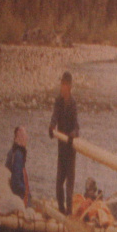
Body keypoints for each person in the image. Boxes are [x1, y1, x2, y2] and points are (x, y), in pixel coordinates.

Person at [48, 71, 79, 214]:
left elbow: (76, 127)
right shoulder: (58, 102)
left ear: (69, 87)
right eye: (61, 85)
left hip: (70, 151)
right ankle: (61, 210)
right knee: (59, 184)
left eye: (64, 85)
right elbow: (54, 116)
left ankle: (69, 213)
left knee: (69, 188)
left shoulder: (73, 104)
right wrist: (52, 126)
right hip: (61, 149)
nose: (62, 88)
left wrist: (73, 134)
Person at [6, 126, 30, 207]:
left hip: (13, 191)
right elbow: (16, 182)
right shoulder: (18, 155)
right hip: (17, 195)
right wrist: (25, 191)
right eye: (24, 137)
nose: (26, 139)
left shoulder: (12, 151)